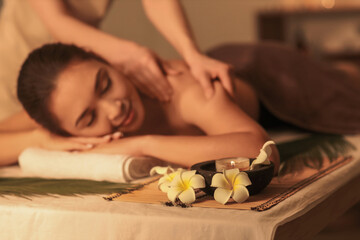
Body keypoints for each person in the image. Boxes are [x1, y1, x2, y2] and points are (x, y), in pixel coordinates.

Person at [1, 42, 279, 171]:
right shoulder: (61, 106)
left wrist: (144, 145)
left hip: (270, 80)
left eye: (105, 83)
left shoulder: (183, 90)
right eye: (88, 118)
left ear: (107, 61)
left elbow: (260, 151)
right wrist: (43, 139)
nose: (114, 109)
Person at [0, 0, 233, 122]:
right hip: (17, 64)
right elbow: (56, 19)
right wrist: (129, 53)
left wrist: (192, 54)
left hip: (77, 62)